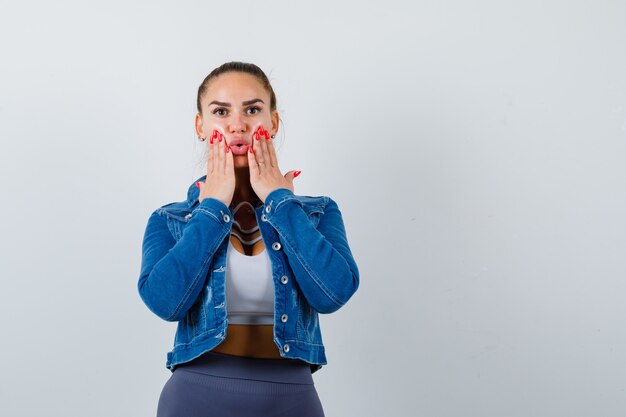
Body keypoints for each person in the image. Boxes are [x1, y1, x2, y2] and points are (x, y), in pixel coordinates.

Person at [137, 61, 360, 417]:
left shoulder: (317, 212)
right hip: (195, 395)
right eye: (221, 111)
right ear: (201, 126)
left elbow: (332, 294)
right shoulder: (171, 219)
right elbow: (166, 304)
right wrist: (211, 206)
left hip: (291, 397)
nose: (237, 124)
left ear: (273, 121)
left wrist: (280, 202)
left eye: (253, 109)